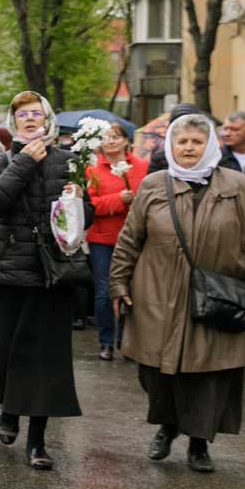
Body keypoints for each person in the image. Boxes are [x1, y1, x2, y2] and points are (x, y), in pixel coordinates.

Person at [112, 114, 245, 472]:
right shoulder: (153, 185)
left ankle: (198, 442)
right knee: (156, 372)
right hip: (157, 295)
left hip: (217, 295)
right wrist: (118, 282)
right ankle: (168, 424)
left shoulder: (239, 186)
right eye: (183, 142)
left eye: (196, 141)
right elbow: (129, 240)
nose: (189, 148)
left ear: (210, 145)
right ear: (171, 147)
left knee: (208, 374)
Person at [0, 91, 88, 471]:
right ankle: (9, 406)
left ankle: (37, 441)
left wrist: (78, 200)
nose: (28, 119)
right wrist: (22, 163)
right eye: (21, 114)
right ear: (12, 121)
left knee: (44, 359)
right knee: (2, 347)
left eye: (35, 113)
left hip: (50, 271)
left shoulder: (69, 162)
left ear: (48, 119)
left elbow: (78, 218)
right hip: (7, 266)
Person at [84, 121, 147, 362]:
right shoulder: (92, 170)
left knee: (132, 290)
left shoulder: (141, 166)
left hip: (134, 237)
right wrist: (119, 199)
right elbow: (92, 205)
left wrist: (135, 201)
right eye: (106, 137)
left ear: (126, 140)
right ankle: (106, 341)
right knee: (103, 292)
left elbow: (148, 197)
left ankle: (127, 338)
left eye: (116, 136)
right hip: (102, 239)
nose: (110, 141)